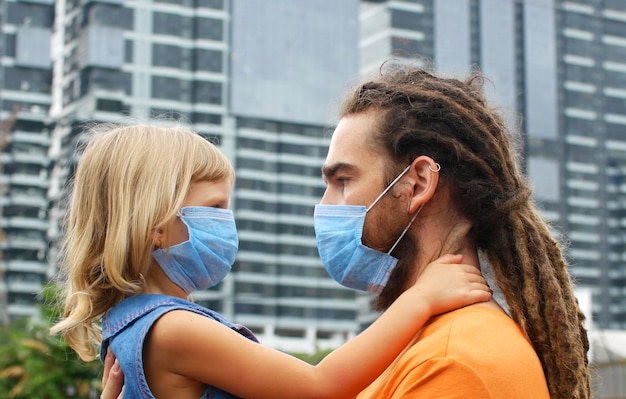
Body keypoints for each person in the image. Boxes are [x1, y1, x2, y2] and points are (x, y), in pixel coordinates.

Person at [101, 64, 591, 398]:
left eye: (342, 180)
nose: (324, 207)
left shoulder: (454, 364)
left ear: (417, 183)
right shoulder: (419, 347)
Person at [50, 124, 491, 399]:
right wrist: (420, 300)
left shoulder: (127, 324)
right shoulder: (174, 329)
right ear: (156, 227)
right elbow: (320, 387)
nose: (228, 222)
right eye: (216, 207)